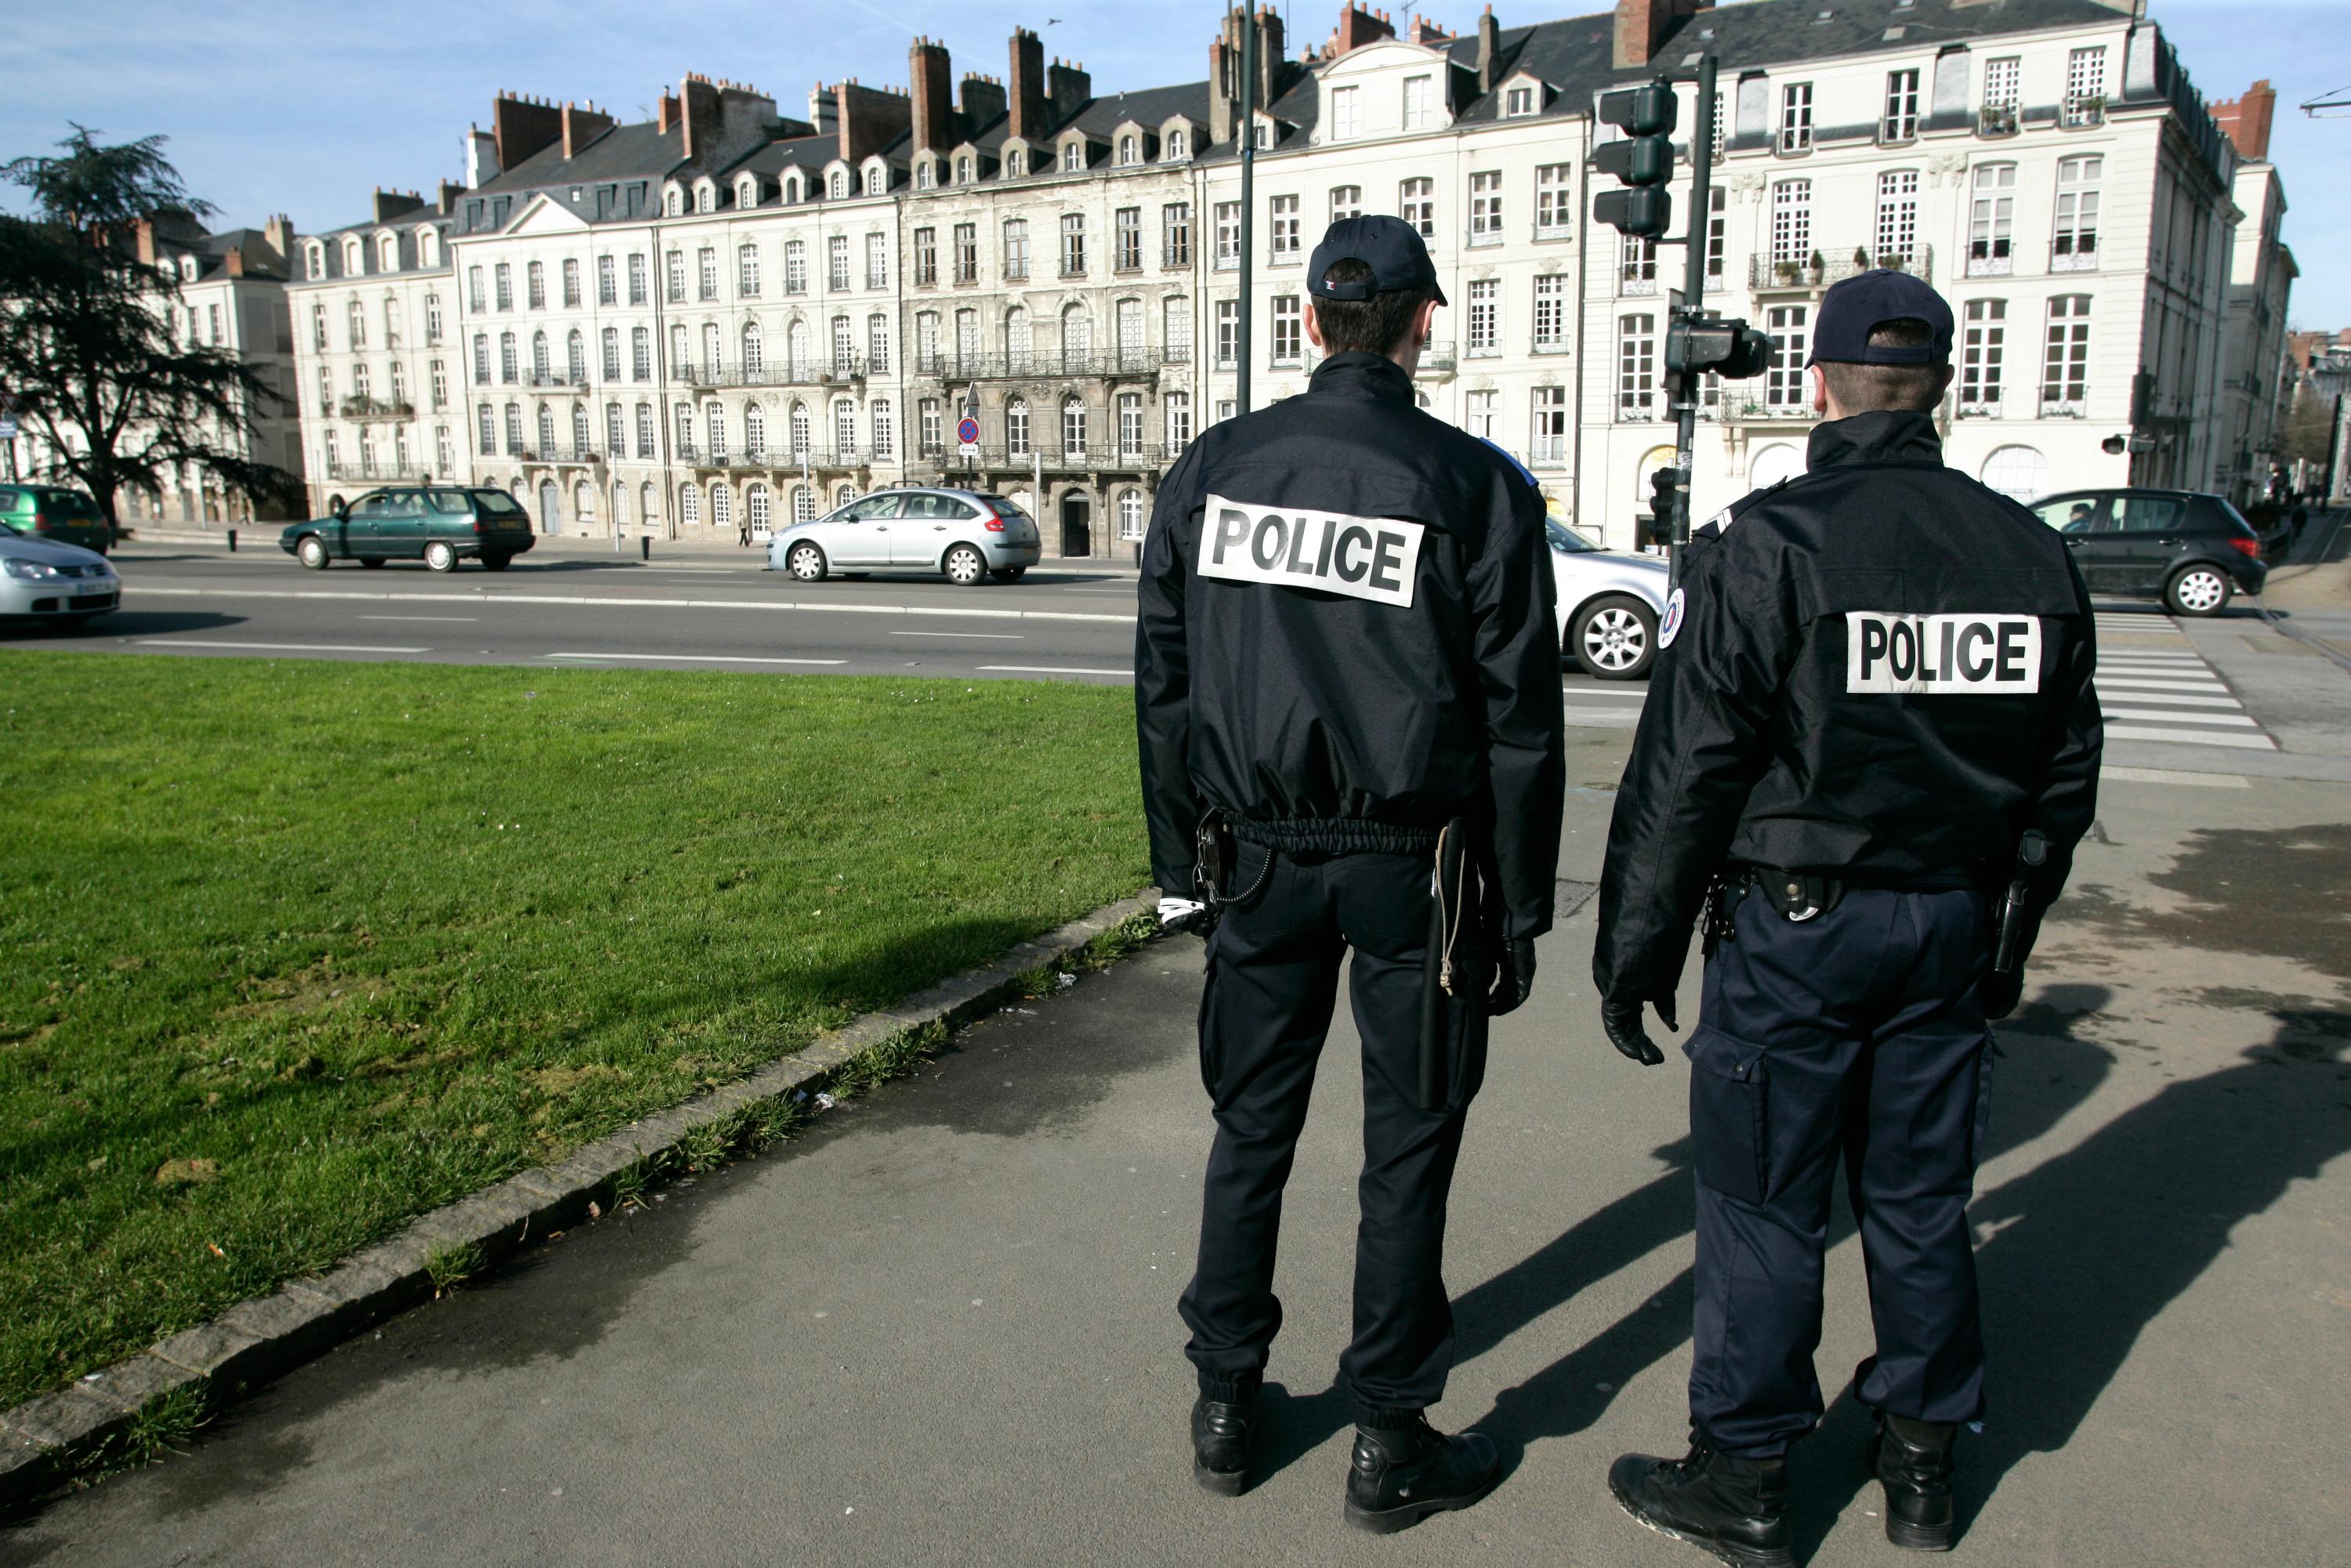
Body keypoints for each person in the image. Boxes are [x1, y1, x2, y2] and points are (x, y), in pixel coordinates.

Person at [1592, 271, 2102, 1565]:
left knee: (1766, 1199)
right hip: (1948, 916)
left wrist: (1634, 948)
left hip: (1799, 925)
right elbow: (2063, 776)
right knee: (1921, 1195)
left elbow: (1691, 763)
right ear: (1941, 386)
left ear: (1820, 386)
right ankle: (1923, 1465)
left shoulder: (1776, 540)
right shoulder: (2029, 551)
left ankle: (1748, 1474)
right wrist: (2010, 928)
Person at [1134, 214, 1563, 1532]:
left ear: (1312, 321)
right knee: (1408, 1145)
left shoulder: (1215, 468)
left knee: (1249, 1127)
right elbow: (1519, 721)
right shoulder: (1475, 484)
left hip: (1257, 855)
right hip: (1412, 866)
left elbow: (1166, 685)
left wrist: (1178, 867)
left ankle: (1225, 1400)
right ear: (1423, 321)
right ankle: (1388, 1433)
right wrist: (1521, 906)